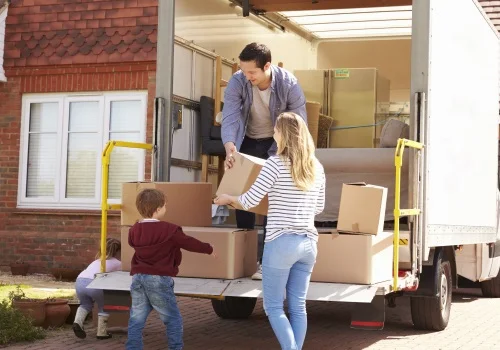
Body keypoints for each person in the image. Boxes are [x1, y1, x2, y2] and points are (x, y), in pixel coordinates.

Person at [215, 112, 325, 350]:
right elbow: (319, 207)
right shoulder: (316, 166)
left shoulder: (275, 164)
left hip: (281, 242)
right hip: (308, 243)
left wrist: (227, 198)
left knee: (273, 307)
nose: (273, 134)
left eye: (275, 130)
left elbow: (250, 199)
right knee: (298, 305)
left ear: (283, 134)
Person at [221, 42, 307, 280]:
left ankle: (268, 263)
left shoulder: (289, 84)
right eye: (243, 70)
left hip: (278, 143)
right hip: (246, 140)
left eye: (252, 72)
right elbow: (230, 114)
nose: (246, 76)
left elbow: (298, 123)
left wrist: (286, 156)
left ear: (267, 66)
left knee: (273, 200)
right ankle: (245, 260)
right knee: (243, 197)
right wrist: (230, 147)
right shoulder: (239, 81)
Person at [125, 189, 216, 350]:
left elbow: (132, 244)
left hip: (138, 278)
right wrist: (209, 249)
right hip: (159, 279)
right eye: (165, 206)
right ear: (158, 209)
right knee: (172, 319)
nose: (166, 209)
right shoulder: (169, 230)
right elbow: (189, 243)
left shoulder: (134, 230)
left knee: (136, 319)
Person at [72, 237, 122, 340]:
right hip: (95, 282)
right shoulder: (117, 263)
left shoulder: (97, 261)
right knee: (104, 305)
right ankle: (101, 332)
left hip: (80, 281)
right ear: (118, 251)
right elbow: (120, 277)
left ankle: (77, 322)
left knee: (85, 304)